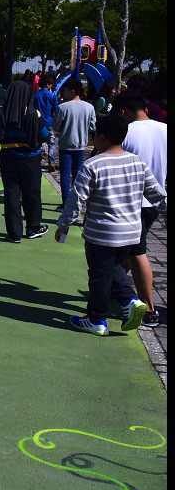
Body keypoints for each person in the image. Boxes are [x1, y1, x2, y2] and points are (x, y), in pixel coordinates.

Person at [57, 115, 166, 336]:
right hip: (131, 232)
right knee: (112, 269)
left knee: (99, 274)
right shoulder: (138, 162)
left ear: (101, 137)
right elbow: (157, 194)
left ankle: (107, 313)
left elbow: (76, 199)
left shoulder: (91, 165)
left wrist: (64, 224)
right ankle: (117, 307)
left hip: (102, 232)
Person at [115, 93, 167, 328]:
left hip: (131, 200)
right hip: (155, 200)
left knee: (136, 253)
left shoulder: (127, 132)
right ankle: (112, 289)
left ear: (123, 111)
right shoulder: (164, 130)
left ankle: (148, 308)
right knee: (128, 250)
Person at [0, 79, 49, 242]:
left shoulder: (2, 114)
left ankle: (14, 233)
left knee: (11, 195)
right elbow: (44, 135)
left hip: (8, 158)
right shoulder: (34, 113)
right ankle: (33, 227)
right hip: (30, 159)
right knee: (32, 193)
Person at [53, 78, 96, 207]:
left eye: (64, 91)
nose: (63, 94)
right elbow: (93, 127)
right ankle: (76, 202)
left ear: (72, 91)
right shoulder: (89, 107)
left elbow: (55, 127)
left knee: (65, 174)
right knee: (78, 175)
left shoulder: (62, 107)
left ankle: (66, 202)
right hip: (81, 144)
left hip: (66, 144)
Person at [32, 74, 59, 172]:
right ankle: (51, 162)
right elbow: (56, 110)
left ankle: (36, 161)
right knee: (51, 143)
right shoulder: (52, 96)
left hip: (38, 122)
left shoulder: (35, 96)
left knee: (37, 143)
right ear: (48, 85)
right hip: (49, 122)